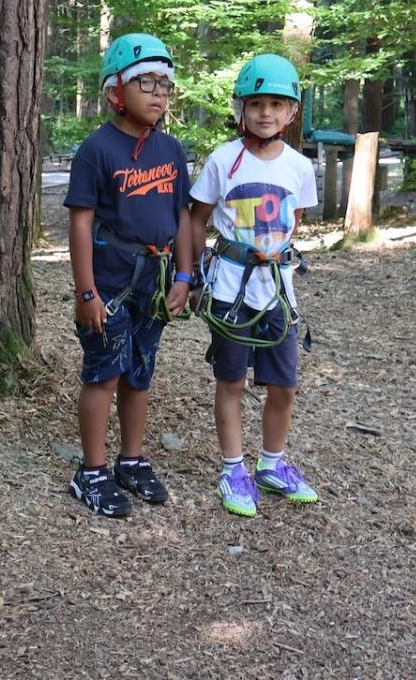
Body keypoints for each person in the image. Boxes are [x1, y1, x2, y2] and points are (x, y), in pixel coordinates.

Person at [63, 33, 194, 518]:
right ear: (116, 90)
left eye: (166, 84)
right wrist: (86, 291)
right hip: (110, 284)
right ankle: (91, 471)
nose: (159, 93)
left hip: (154, 283)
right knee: (104, 373)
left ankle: (131, 460)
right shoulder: (97, 149)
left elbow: (180, 215)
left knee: (139, 374)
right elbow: (79, 222)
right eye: (146, 82)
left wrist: (185, 274)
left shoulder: (171, 150)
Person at [188, 53, 319, 518]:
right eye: (257, 103)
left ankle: (271, 464)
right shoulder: (223, 161)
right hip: (230, 291)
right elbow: (196, 220)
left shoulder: (300, 167)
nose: (266, 113)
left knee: (284, 386)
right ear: (241, 108)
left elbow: (293, 222)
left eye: (276, 105)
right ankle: (232, 469)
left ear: (291, 112)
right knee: (232, 382)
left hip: (278, 293)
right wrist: (192, 276)